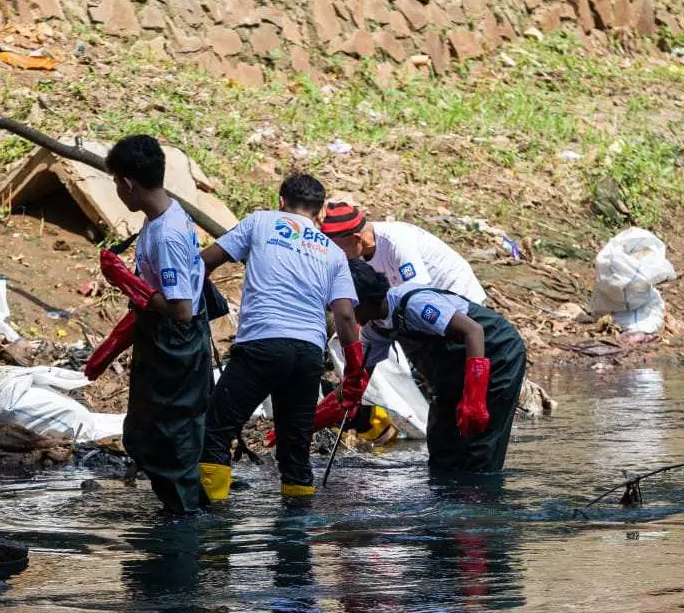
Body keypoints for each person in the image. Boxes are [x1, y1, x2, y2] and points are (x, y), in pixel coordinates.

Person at [197, 173, 365, 500]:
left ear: (281, 201)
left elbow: (206, 263)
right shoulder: (332, 252)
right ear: (321, 214)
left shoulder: (260, 222)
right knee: (295, 446)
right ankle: (296, 540)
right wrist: (355, 367)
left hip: (263, 343)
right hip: (307, 354)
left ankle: (211, 531)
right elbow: (345, 315)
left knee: (217, 431)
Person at [85, 134, 213, 517]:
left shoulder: (168, 234)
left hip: (175, 344)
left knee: (169, 438)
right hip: (160, 341)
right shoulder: (165, 217)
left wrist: (127, 281)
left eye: (115, 183)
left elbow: (181, 310)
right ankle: (181, 511)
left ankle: (188, 524)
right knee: (147, 435)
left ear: (128, 184)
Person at [346, 258, 526, 474]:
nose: (342, 316)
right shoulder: (375, 329)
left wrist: (474, 398)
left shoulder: (415, 303)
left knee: (480, 444)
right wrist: (337, 408)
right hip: (452, 375)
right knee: (443, 446)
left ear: (360, 300)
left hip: (497, 354)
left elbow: (474, 331)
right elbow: (357, 379)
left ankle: (482, 502)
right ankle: (446, 501)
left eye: (342, 307)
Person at [319, 201, 486, 303]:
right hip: (428, 301)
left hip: (458, 293)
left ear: (357, 239)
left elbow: (416, 288)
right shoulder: (359, 252)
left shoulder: (396, 241)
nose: (336, 254)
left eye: (338, 248)